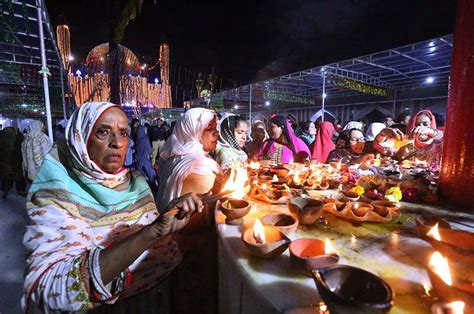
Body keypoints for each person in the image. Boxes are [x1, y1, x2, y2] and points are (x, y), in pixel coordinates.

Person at [22, 102, 204, 313]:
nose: (117, 143)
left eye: (124, 133)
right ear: (81, 137)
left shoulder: (135, 182)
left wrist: (168, 219)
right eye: (103, 132)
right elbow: (52, 292)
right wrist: (151, 232)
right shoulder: (56, 195)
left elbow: (155, 241)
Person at [156, 107, 223, 314]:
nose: (217, 134)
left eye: (216, 128)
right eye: (210, 129)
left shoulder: (174, 154)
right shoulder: (199, 165)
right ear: (193, 131)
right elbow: (196, 222)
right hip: (192, 254)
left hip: (173, 248)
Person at [0, 127, 26, 198]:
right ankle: (20, 191)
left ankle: (5, 191)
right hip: (17, 160)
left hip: (5, 161)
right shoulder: (18, 137)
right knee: (19, 176)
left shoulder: (2, 136)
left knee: (6, 177)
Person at [135, 125, 157, 189]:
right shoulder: (145, 139)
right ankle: (153, 184)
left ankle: (139, 186)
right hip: (145, 158)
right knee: (150, 172)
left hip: (139, 158)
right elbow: (149, 149)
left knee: (139, 172)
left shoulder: (138, 139)